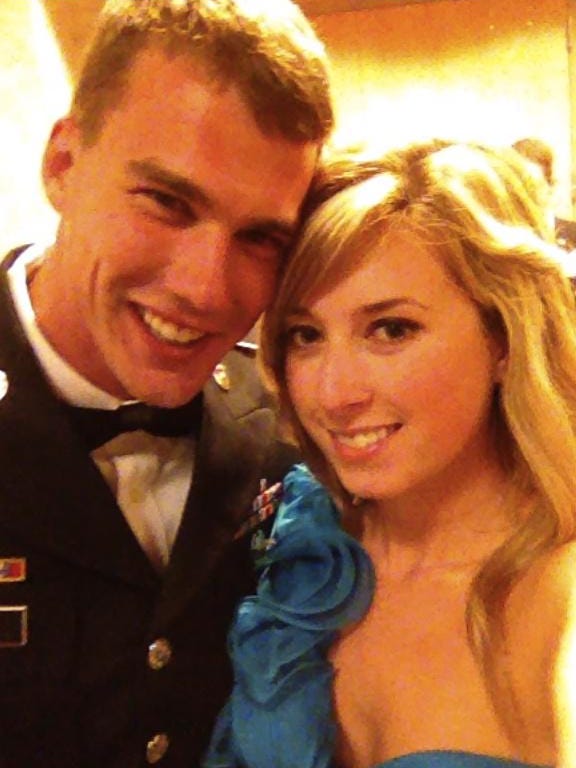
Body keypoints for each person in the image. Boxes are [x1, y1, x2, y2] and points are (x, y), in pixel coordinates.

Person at [0, 1, 333, 766]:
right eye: (167, 202)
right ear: (63, 164)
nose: (206, 290)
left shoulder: (286, 422)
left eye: (260, 237)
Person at [203, 140, 576, 767]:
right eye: (306, 336)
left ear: (504, 337)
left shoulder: (561, 599)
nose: (333, 394)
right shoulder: (302, 543)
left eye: (391, 329)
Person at [512, 136, 576, 253]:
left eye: (530, 187)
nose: (521, 196)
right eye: (513, 186)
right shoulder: (499, 243)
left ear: (551, 187)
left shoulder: (573, 237)